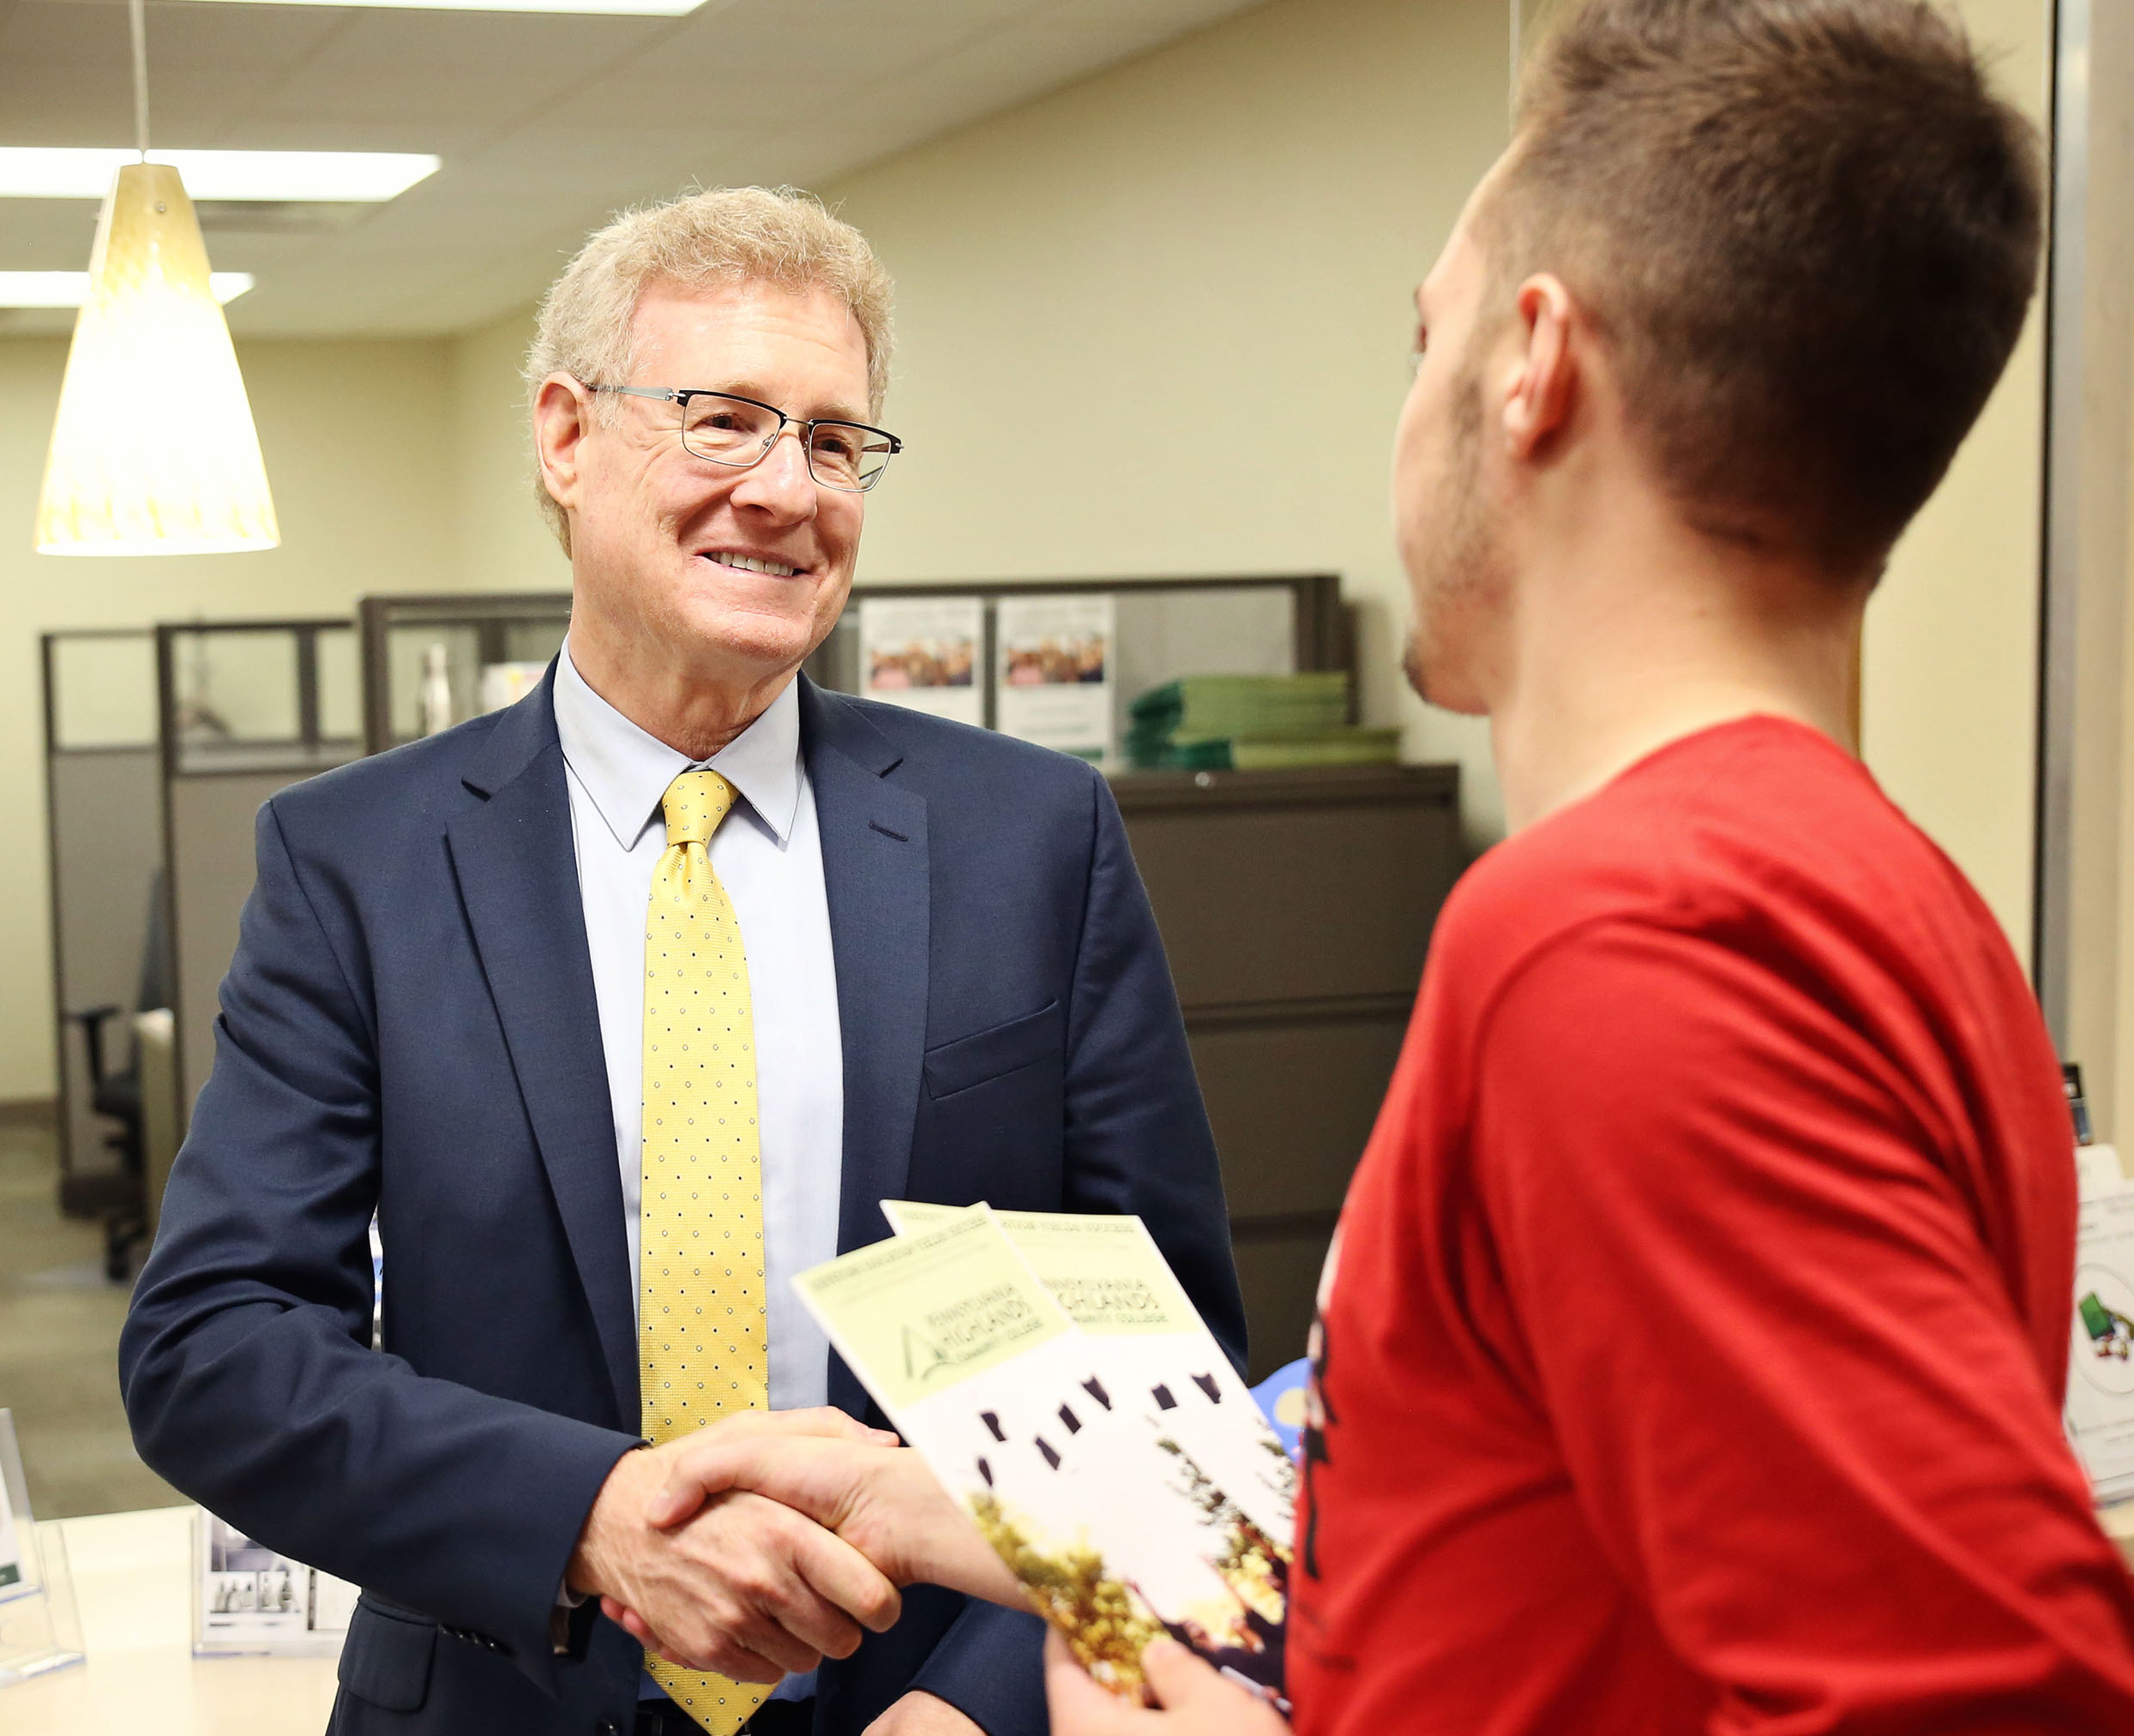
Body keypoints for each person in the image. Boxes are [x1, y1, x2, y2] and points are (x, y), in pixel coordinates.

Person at [622, 2, 2134, 1731]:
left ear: (1533, 367)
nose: (1408, 410)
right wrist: (982, 1511)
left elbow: (1982, 1693)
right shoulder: (1887, 897)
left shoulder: (1636, 938)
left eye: (1423, 339)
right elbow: (1533, 1536)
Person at [118, 185, 1245, 1736]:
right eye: (724, 419)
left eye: (836, 441)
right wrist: (592, 1517)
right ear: (568, 440)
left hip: (921, 1707)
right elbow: (215, 1348)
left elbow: (1168, 1349)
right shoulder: (359, 863)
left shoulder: (1028, 838)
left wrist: (987, 1702)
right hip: (502, 1693)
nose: (787, 488)